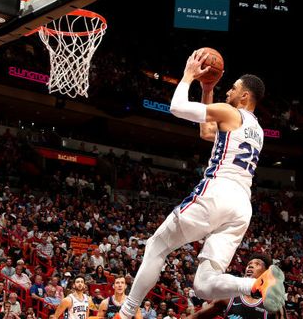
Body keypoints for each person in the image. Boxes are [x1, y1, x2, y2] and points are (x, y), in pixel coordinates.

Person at [116, 50, 283, 319]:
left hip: (218, 191)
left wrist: (188, 76)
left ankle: (125, 312)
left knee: (157, 246)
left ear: (244, 96)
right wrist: (207, 89)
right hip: (241, 207)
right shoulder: (259, 130)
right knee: (204, 286)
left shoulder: (230, 111)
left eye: (233, 88)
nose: (228, 91)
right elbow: (207, 132)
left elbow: (177, 107)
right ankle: (256, 284)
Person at [188, 254, 286, 319]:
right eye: (249, 264)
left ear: (266, 273)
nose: (250, 266)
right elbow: (198, 316)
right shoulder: (229, 296)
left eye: (257, 264)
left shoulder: (273, 303)